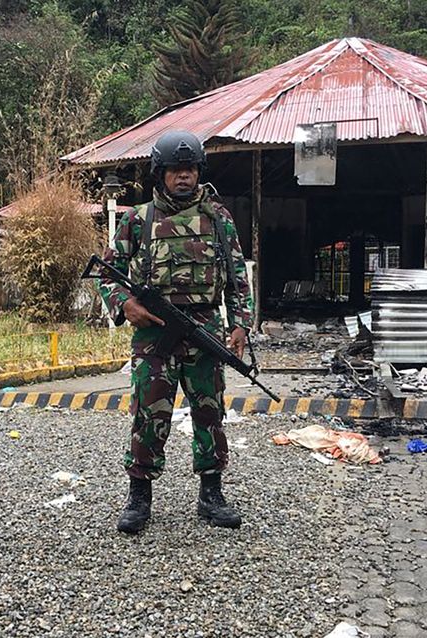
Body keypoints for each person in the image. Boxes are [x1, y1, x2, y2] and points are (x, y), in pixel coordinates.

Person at [98, 130, 253, 534]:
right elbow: (105, 274)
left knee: (210, 412)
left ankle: (211, 493)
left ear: (198, 171)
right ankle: (139, 495)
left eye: (189, 169)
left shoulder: (219, 218)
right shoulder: (138, 219)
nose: (183, 177)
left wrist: (240, 325)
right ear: (160, 173)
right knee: (149, 414)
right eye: (174, 170)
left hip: (205, 329)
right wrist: (126, 306)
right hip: (154, 332)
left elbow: (237, 278)